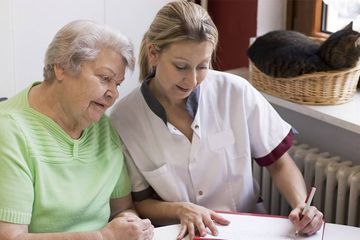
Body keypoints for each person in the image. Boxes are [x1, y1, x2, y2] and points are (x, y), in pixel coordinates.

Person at [110, 1, 324, 239]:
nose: (191, 80)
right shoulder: (125, 119)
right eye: (181, 66)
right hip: (180, 233)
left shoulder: (235, 92)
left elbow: (279, 163)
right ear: (153, 53)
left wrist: (301, 205)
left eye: (202, 66)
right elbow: (141, 203)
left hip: (247, 226)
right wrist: (181, 209)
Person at [0, 20, 154, 240]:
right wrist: (103, 237)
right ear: (61, 67)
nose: (114, 93)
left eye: (117, 84)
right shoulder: (9, 130)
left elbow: (122, 208)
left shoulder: (102, 126)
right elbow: (10, 237)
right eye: (105, 78)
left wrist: (130, 223)